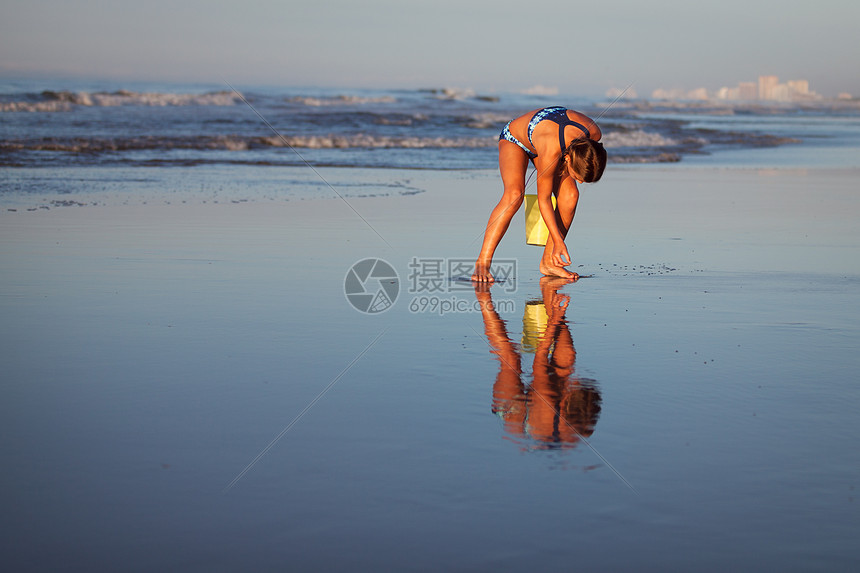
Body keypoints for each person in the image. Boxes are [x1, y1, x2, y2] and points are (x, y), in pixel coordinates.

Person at [472, 107, 607, 282]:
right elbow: (543, 200)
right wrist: (559, 240)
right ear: (568, 159)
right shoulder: (551, 152)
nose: (580, 182)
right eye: (577, 176)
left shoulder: (594, 135)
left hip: (552, 141)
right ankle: (482, 263)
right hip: (516, 140)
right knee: (514, 195)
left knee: (570, 196)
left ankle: (549, 262)